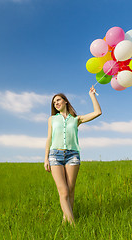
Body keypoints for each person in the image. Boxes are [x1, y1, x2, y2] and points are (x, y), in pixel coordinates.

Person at [44, 85, 101, 225]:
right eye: (54, 102)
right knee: (63, 191)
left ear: (65, 101)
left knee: (70, 190)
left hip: (73, 155)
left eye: (58, 100)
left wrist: (92, 95)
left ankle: (65, 221)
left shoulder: (76, 119)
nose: (56, 103)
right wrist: (45, 158)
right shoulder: (52, 119)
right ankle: (74, 225)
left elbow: (98, 112)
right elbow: (49, 138)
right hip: (55, 155)